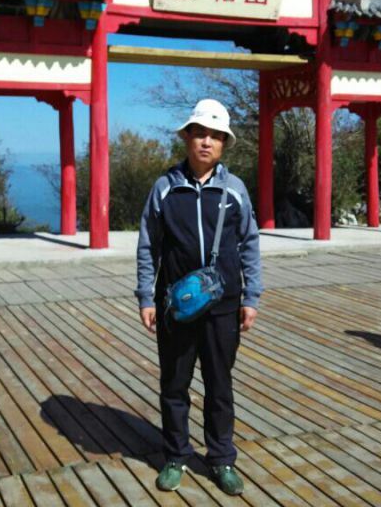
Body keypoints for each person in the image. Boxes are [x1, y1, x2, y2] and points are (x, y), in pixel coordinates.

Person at [135, 98, 262, 496]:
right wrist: (146, 297)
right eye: (200, 133)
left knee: (219, 384)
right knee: (174, 384)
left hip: (225, 305)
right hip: (176, 304)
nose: (207, 142)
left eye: (215, 136)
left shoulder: (235, 189)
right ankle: (176, 455)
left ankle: (221, 458)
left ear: (224, 143)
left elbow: (250, 244)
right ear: (187, 138)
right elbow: (147, 246)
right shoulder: (164, 189)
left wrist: (251, 297)